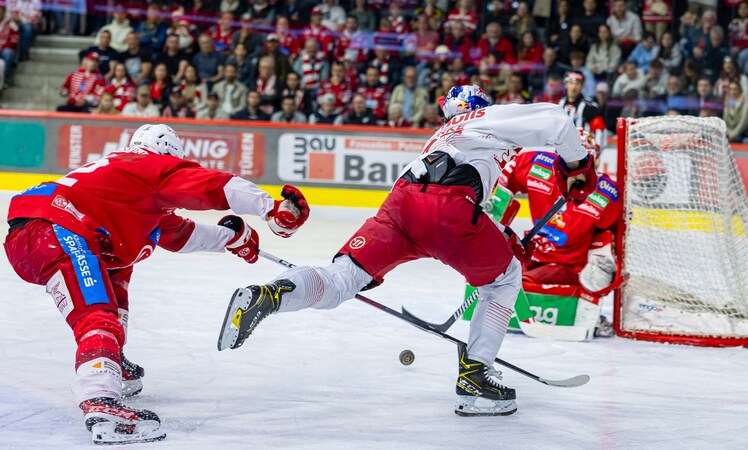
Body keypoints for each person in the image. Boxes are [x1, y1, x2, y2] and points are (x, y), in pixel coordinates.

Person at [217, 85, 597, 417]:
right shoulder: (486, 118)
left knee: (341, 280)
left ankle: (269, 295)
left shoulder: (443, 134)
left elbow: (441, 191)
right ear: (479, 105)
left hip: (400, 207)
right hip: (448, 210)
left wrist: (498, 234)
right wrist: (578, 163)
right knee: (505, 278)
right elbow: (558, 120)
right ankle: (475, 377)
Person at [3, 124, 310, 444]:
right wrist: (271, 208)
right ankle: (100, 398)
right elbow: (215, 185)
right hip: (57, 229)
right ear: (169, 156)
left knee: (118, 266)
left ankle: (111, 359)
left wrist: (231, 238)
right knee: (97, 316)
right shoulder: (150, 166)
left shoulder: (127, 185)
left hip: (38, 230)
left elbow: (179, 234)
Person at [494, 129, 620, 337]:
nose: (574, 171)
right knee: (498, 272)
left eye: (581, 163)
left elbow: (608, 233)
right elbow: (505, 178)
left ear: (593, 162)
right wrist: (494, 218)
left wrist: (601, 263)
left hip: (566, 265)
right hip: (533, 251)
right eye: (569, 162)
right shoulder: (537, 165)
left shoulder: (606, 192)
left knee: (518, 280)